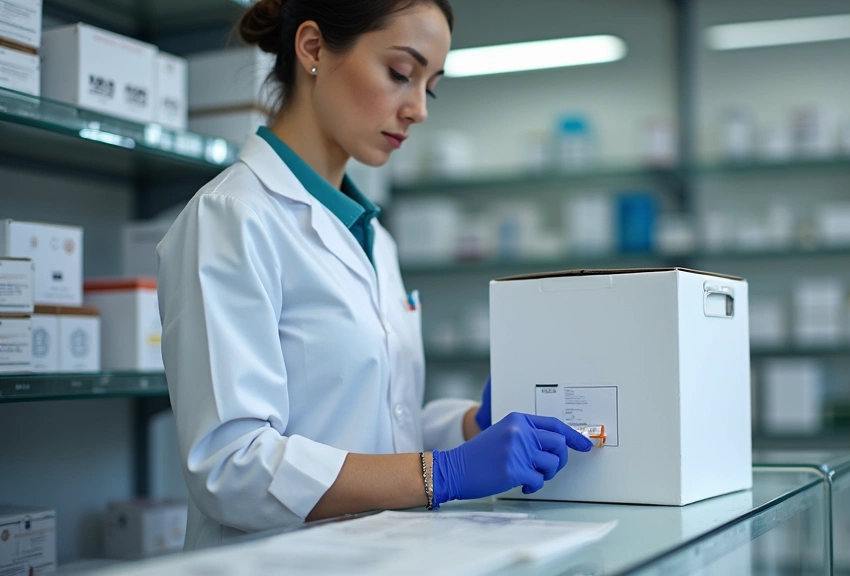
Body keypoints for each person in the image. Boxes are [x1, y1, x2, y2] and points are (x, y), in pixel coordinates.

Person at [157, 0, 592, 550]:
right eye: (400, 74)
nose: (418, 109)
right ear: (312, 48)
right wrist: (443, 473)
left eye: (429, 86)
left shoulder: (371, 237)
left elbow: (375, 425)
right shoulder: (231, 218)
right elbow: (231, 466)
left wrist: (468, 430)